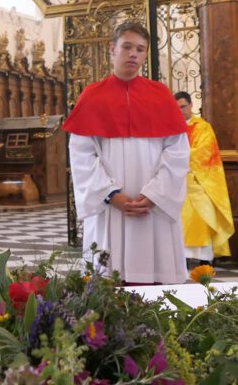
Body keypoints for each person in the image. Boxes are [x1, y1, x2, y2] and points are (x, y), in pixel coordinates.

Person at [63, 21, 189, 284]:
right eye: (127, 46)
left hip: (152, 207)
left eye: (140, 49)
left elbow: (177, 152)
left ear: (145, 54)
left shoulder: (161, 96)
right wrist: (110, 194)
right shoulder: (92, 96)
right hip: (110, 206)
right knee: (108, 279)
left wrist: (155, 194)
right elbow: (81, 155)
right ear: (113, 48)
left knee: (157, 281)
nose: (134, 54)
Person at [175, 91, 234, 264]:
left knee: (203, 214)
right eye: (177, 108)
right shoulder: (170, 127)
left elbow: (205, 151)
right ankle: (180, 258)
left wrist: (178, 157)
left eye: (183, 107)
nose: (181, 111)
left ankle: (205, 258)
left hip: (199, 180)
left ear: (191, 106)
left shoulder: (203, 127)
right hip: (176, 181)